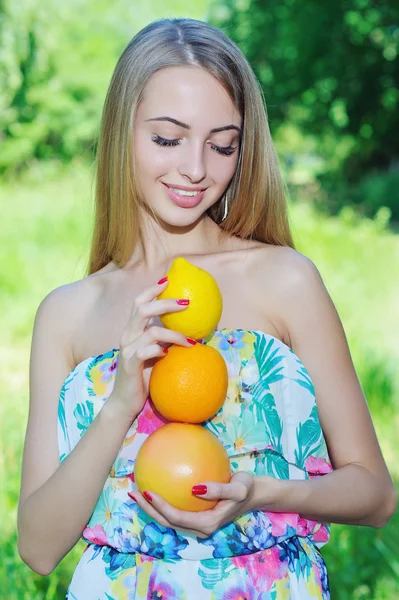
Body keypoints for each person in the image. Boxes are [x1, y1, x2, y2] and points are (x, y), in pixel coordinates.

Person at [17, 17, 396, 600]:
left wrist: (264, 493)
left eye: (222, 144)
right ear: (123, 131)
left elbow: (375, 495)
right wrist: (122, 400)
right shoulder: (67, 313)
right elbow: (39, 549)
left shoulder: (285, 280)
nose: (196, 168)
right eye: (168, 139)